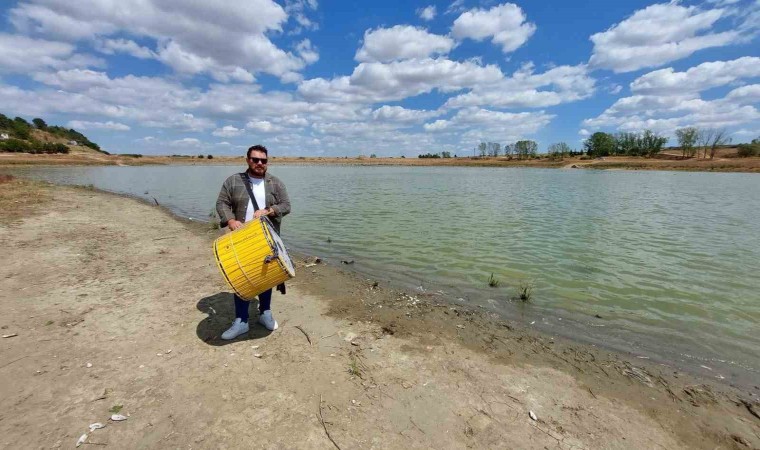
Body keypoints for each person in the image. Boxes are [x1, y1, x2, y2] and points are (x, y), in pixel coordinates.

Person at [215, 144, 291, 339]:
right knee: (240, 278)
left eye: (263, 160)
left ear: (267, 162)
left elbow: (286, 205)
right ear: (248, 160)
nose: (259, 163)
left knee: (266, 276)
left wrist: (268, 211)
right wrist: (231, 220)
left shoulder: (276, 183)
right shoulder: (233, 181)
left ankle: (265, 313)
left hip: (266, 238)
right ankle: (241, 321)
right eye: (255, 159)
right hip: (240, 239)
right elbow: (222, 202)